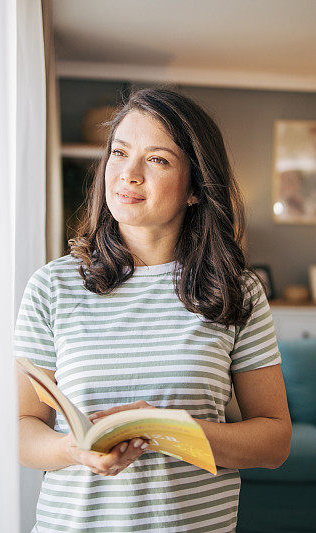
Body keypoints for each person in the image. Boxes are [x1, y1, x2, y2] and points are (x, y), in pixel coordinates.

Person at [15, 87, 291, 532]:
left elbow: (275, 440)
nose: (129, 174)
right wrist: (74, 450)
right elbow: (22, 427)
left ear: (196, 188)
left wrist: (165, 428)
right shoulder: (53, 286)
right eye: (119, 153)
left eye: (157, 160)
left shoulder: (236, 291)